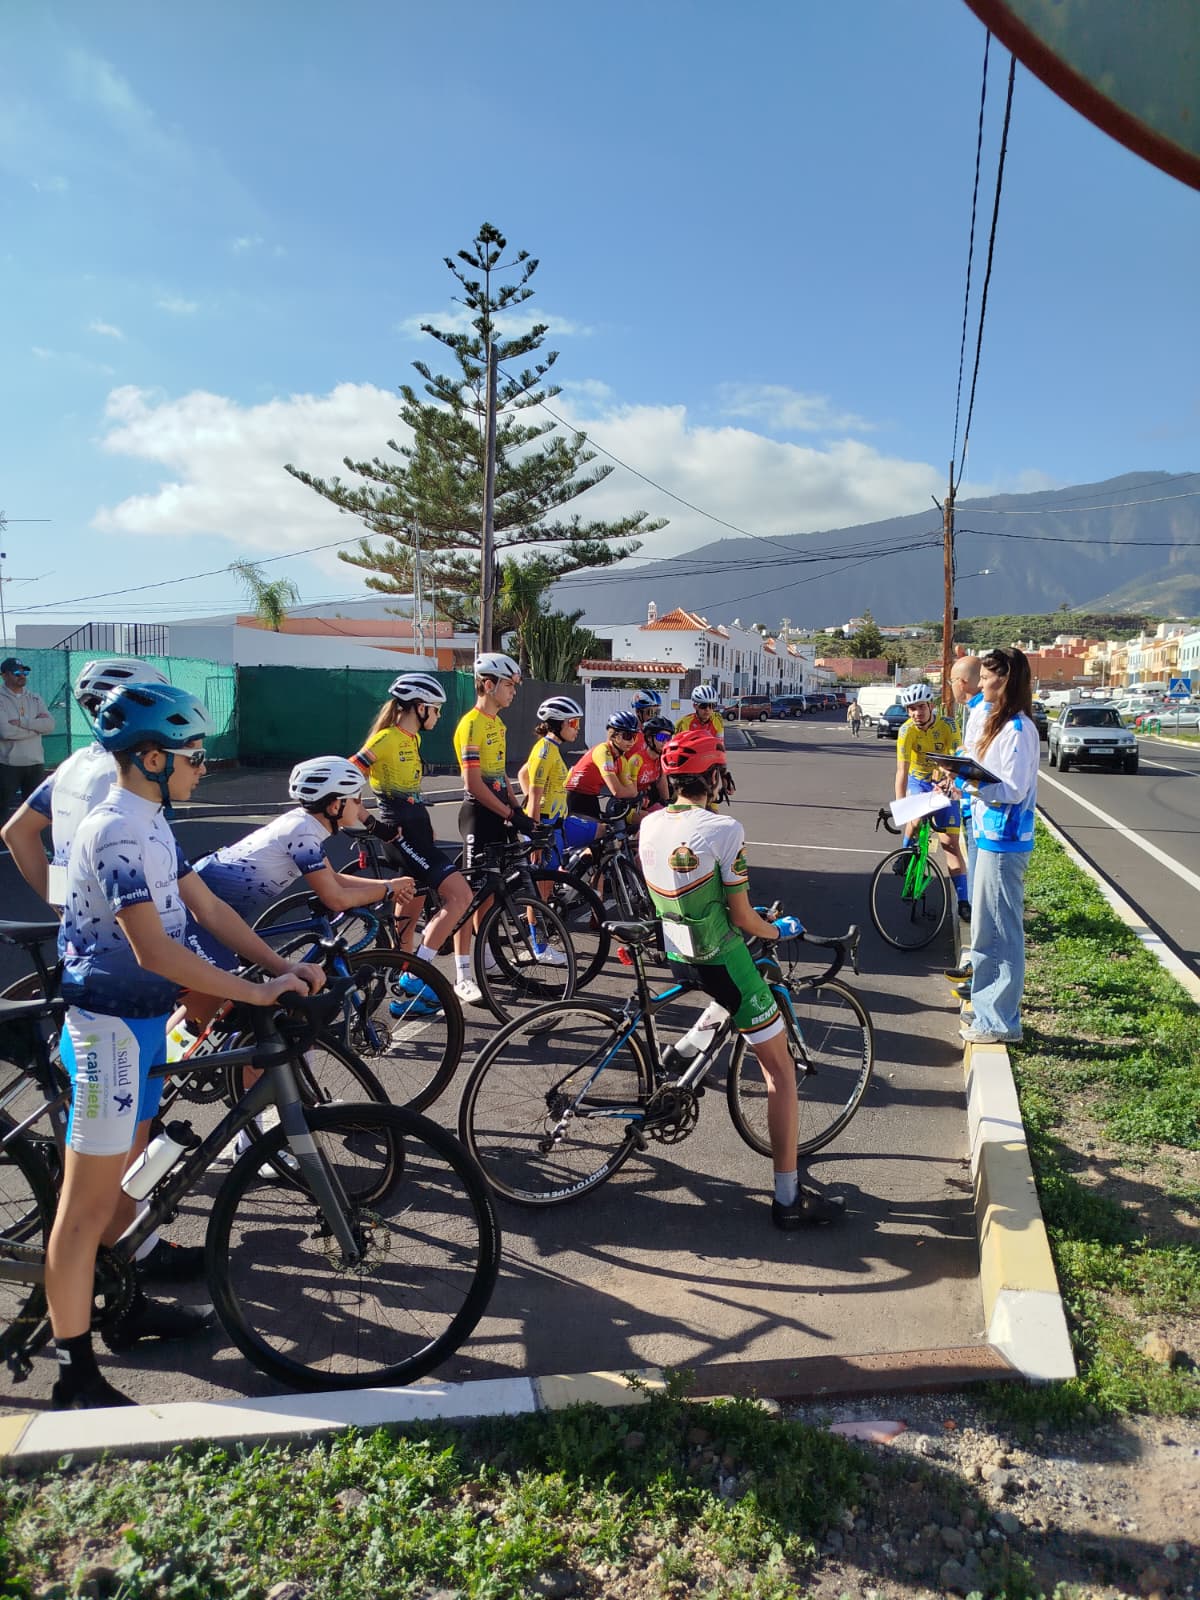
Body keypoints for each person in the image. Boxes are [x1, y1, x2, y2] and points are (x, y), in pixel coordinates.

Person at [46, 682, 324, 1410]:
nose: (202, 765)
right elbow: (153, 950)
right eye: (191, 754)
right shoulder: (112, 829)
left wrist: (278, 966)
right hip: (108, 1028)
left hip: (139, 1025)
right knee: (84, 1210)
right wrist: (255, 992)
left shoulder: (154, 819)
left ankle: (123, 1302)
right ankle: (75, 1376)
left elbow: (206, 907)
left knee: (126, 1186)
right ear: (149, 757)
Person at [638, 728, 843, 1230]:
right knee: (780, 1073)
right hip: (718, 957)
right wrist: (781, 929)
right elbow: (745, 918)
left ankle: (685, 1049)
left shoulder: (648, 823)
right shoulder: (725, 828)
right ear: (713, 776)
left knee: (727, 990)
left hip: (676, 950)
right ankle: (788, 1198)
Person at [351, 673, 479, 1005]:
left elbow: (412, 792)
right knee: (460, 896)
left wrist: (425, 822)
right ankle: (417, 977)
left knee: (409, 917)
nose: (438, 716)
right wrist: (372, 824)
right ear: (420, 708)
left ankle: (400, 988)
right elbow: (346, 782)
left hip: (418, 833)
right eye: (436, 710)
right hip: (400, 836)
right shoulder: (386, 740)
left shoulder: (413, 739)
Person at [3, 658, 170, 907]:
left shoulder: (75, 763)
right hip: (133, 929)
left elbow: (17, 832)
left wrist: (61, 903)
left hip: (80, 928)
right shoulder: (129, 775)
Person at [953, 647, 1040, 1045]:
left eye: (987, 676)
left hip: (1006, 841)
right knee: (986, 931)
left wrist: (972, 781)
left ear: (1004, 680)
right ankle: (987, 1010)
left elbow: (1013, 788)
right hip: (990, 836)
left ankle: (1002, 1021)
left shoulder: (1019, 730)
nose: (981, 682)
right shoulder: (998, 724)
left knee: (1002, 933)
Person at [452, 653, 537, 991]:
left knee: (490, 891)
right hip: (478, 815)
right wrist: (508, 814)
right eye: (509, 685)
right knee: (469, 895)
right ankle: (461, 974)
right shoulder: (470, 724)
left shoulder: (497, 724)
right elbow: (473, 784)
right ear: (488, 685)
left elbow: (499, 775)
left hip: (498, 813)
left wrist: (518, 809)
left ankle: (485, 953)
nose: (513, 692)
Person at [894, 682, 970, 921]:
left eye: (921, 707)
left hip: (945, 781)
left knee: (950, 844)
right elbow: (901, 772)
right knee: (914, 820)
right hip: (919, 781)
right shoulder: (906, 731)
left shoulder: (948, 725)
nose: (917, 713)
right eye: (911, 709)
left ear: (931, 705)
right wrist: (901, 805)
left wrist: (949, 780)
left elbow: (957, 758)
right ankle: (905, 853)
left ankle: (964, 901)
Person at [943, 656, 984, 996]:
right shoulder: (976, 711)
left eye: (951, 681)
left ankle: (981, 974)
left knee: (986, 900)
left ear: (962, 683)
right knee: (983, 896)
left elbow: (983, 767)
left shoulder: (982, 713)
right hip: (974, 808)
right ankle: (978, 967)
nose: (950, 688)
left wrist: (957, 772)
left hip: (985, 817)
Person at [518, 695, 589, 866]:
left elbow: (522, 773)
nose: (577, 728)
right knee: (546, 886)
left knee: (602, 833)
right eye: (573, 723)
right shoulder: (545, 752)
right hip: (545, 825)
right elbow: (535, 798)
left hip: (557, 822)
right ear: (558, 724)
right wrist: (537, 840)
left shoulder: (551, 747)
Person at [0, 657, 55, 822]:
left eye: (24, 671)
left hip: (35, 764)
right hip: (8, 765)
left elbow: (50, 725)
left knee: (33, 811)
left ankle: (30, 844)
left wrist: (24, 723)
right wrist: (36, 729)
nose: (22, 675)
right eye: (17, 672)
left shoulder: (35, 698)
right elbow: (5, 732)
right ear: (4, 675)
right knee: (2, 809)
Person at [565, 709, 641, 823]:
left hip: (591, 797)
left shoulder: (621, 760)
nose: (632, 741)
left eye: (635, 737)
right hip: (574, 797)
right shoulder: (603, 751)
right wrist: (632, 792)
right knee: (601, 832)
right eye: (627, 736)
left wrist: (635, 791)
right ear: (615, 736)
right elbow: (618, 791)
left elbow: (632, 791)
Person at [625, 713, 673, 812]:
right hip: (628, 804)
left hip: (645, 800)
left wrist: (667, 803)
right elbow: (629, 791)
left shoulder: (661, 759)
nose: (665, 742)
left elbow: (661, 783)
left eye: (668, 738)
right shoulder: (637, 760)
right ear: (650, 739)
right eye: (661, 737)